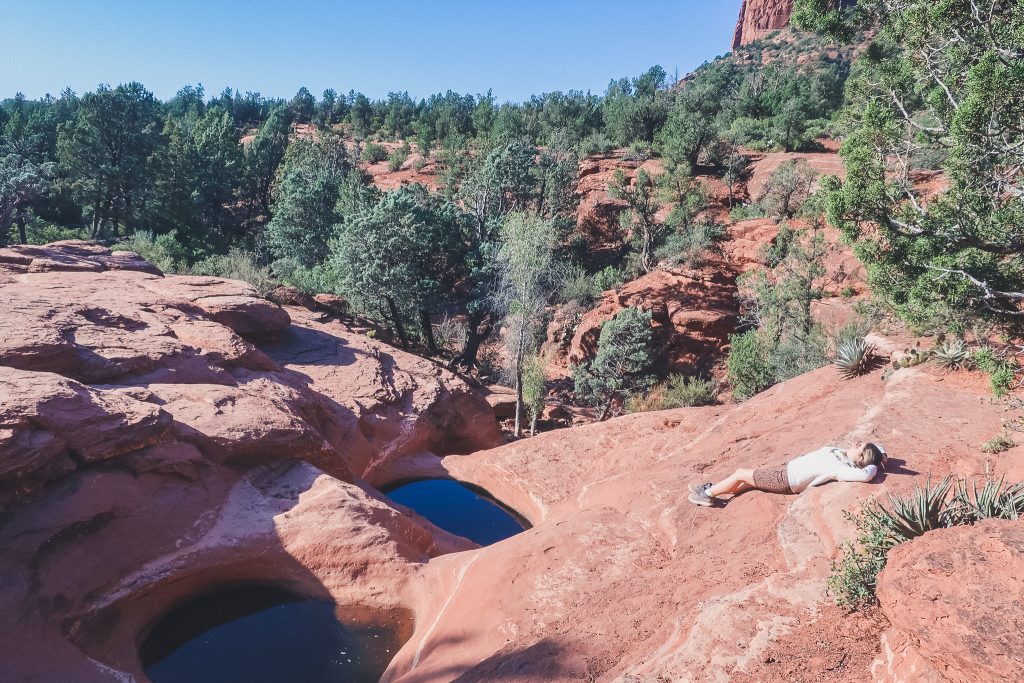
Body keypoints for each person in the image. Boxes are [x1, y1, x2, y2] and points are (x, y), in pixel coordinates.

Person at [688, 442, 888, 507]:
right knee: (750, 482)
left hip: (786, 479)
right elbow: (877, 447)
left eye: (859, 447)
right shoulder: (842, 453)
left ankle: (708, 495)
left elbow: (866, 476)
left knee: (741, 473)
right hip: (786, 471)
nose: (855, 444)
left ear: (861, 459)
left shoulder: (841, 468)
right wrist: (882, 455)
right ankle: (720, 494)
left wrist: (876, 466)